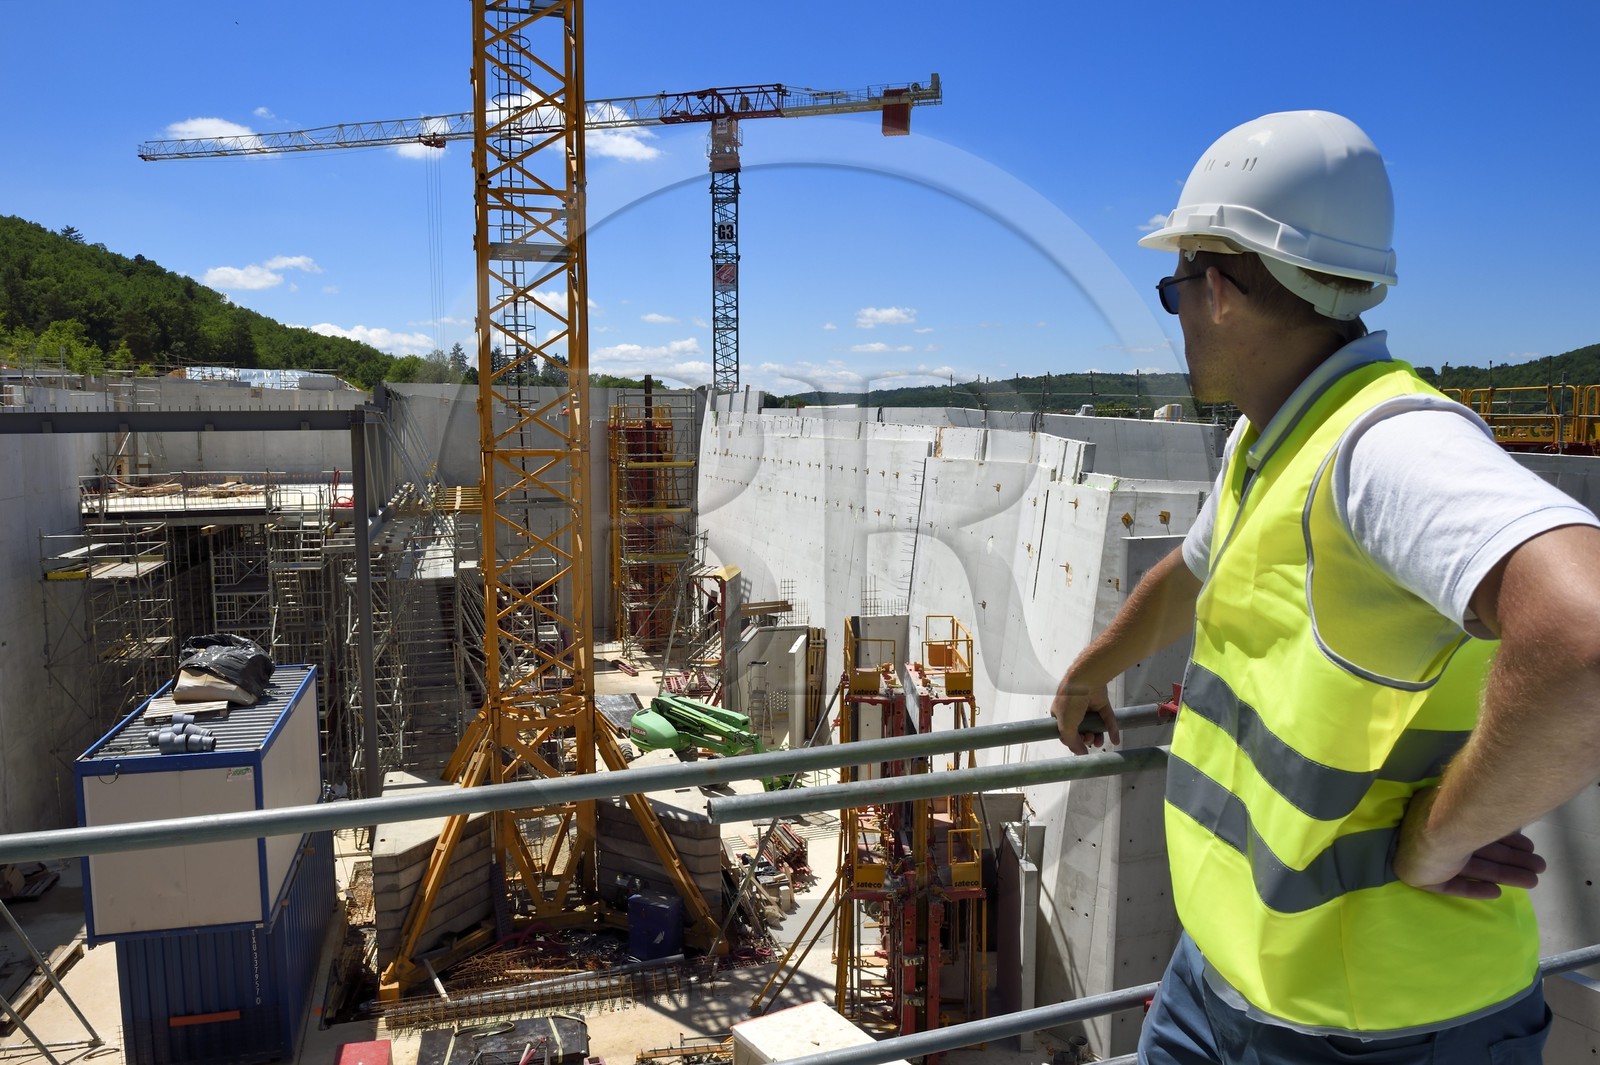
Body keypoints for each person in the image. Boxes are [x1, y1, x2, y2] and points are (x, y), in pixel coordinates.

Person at [1051, 110, 1600, 1063]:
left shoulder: (1385, 448)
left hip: (1374, 1028)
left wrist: (1438, 830)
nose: (1175, 313)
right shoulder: (1274, 437)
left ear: (1216, 289)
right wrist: (1091, 671)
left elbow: (1585, 638)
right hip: (1223, 979)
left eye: (1174, 287)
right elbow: (1194, 572)